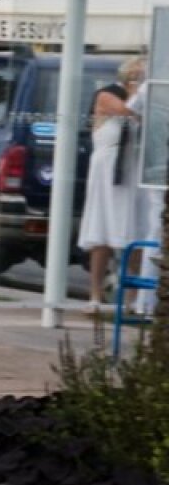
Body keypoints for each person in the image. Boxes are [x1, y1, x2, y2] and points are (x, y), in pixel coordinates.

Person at [78, 56, 145, 314]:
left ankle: (133, 299)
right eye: (137, 76)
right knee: (101, 231)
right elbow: (127, 111)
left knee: (132, 232)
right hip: (107, 168)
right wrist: (139, 95)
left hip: (130, 169)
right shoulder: (107, 95)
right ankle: (95, 295)